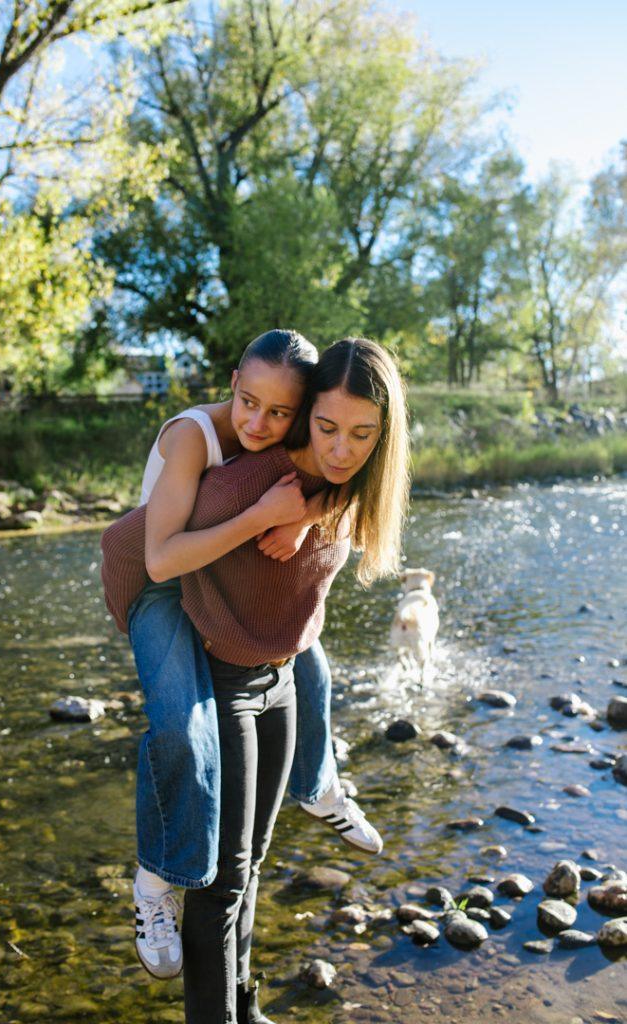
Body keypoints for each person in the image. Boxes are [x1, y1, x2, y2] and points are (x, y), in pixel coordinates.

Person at [100, 330, 382, 978]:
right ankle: (153, 881)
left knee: (309, 664)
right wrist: (262, 517)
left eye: (281, 412)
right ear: (231, 383)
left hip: (209, 571)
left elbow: (338, 468)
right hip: (156, 585)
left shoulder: (294, 434)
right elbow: (158, 555)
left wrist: (305, 517)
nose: (260, 423)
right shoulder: (192, 437)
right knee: (184, 725)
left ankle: (318, 787)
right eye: (249, 403)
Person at [178, 337, 411, 1022]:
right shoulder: (249, 483)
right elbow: (150, 550)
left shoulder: (346, 489)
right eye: (327, 427)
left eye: (362, 434)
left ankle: (245, 1008)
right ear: (305, 413)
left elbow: (342, 488)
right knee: (219, 882)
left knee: (251, 865)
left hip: (283, 683)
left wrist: (311, 515)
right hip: (223, 681)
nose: (341, 448)